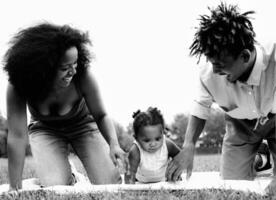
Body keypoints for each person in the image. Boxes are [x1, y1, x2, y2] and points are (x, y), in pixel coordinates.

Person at [166, 2, 276, 194]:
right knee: (233, 187)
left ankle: (274, 159)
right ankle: (260, 159)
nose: (214, 70)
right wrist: (188, 146)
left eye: (220, 64)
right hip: (240, 124)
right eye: (211, 62)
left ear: (245, 56)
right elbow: (200, 108)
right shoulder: (209, 72)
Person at [3, 22, 127, 190]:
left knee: (109, 184)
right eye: (65, 67)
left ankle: (80, 177)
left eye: (75, 64)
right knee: (55, 187)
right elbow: (17, 137)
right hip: (44, 130)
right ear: (42, 69)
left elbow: (101, 115)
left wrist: (114, 143)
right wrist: (14, 187)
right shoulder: (18, 85)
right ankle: (73, 177)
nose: (73, 71)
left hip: (84, 126)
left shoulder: (83, 77)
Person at [125, 107, 180, 184]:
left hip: (164, 180)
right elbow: (130, 173)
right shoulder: (135, 151)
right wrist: (130, 189)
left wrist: (176, 172)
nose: (153, 144)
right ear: (136, 138)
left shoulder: (167, 144)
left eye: (157, 139)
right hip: (142, 182)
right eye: (147, 140)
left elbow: (180, 157)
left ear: (163, 133)